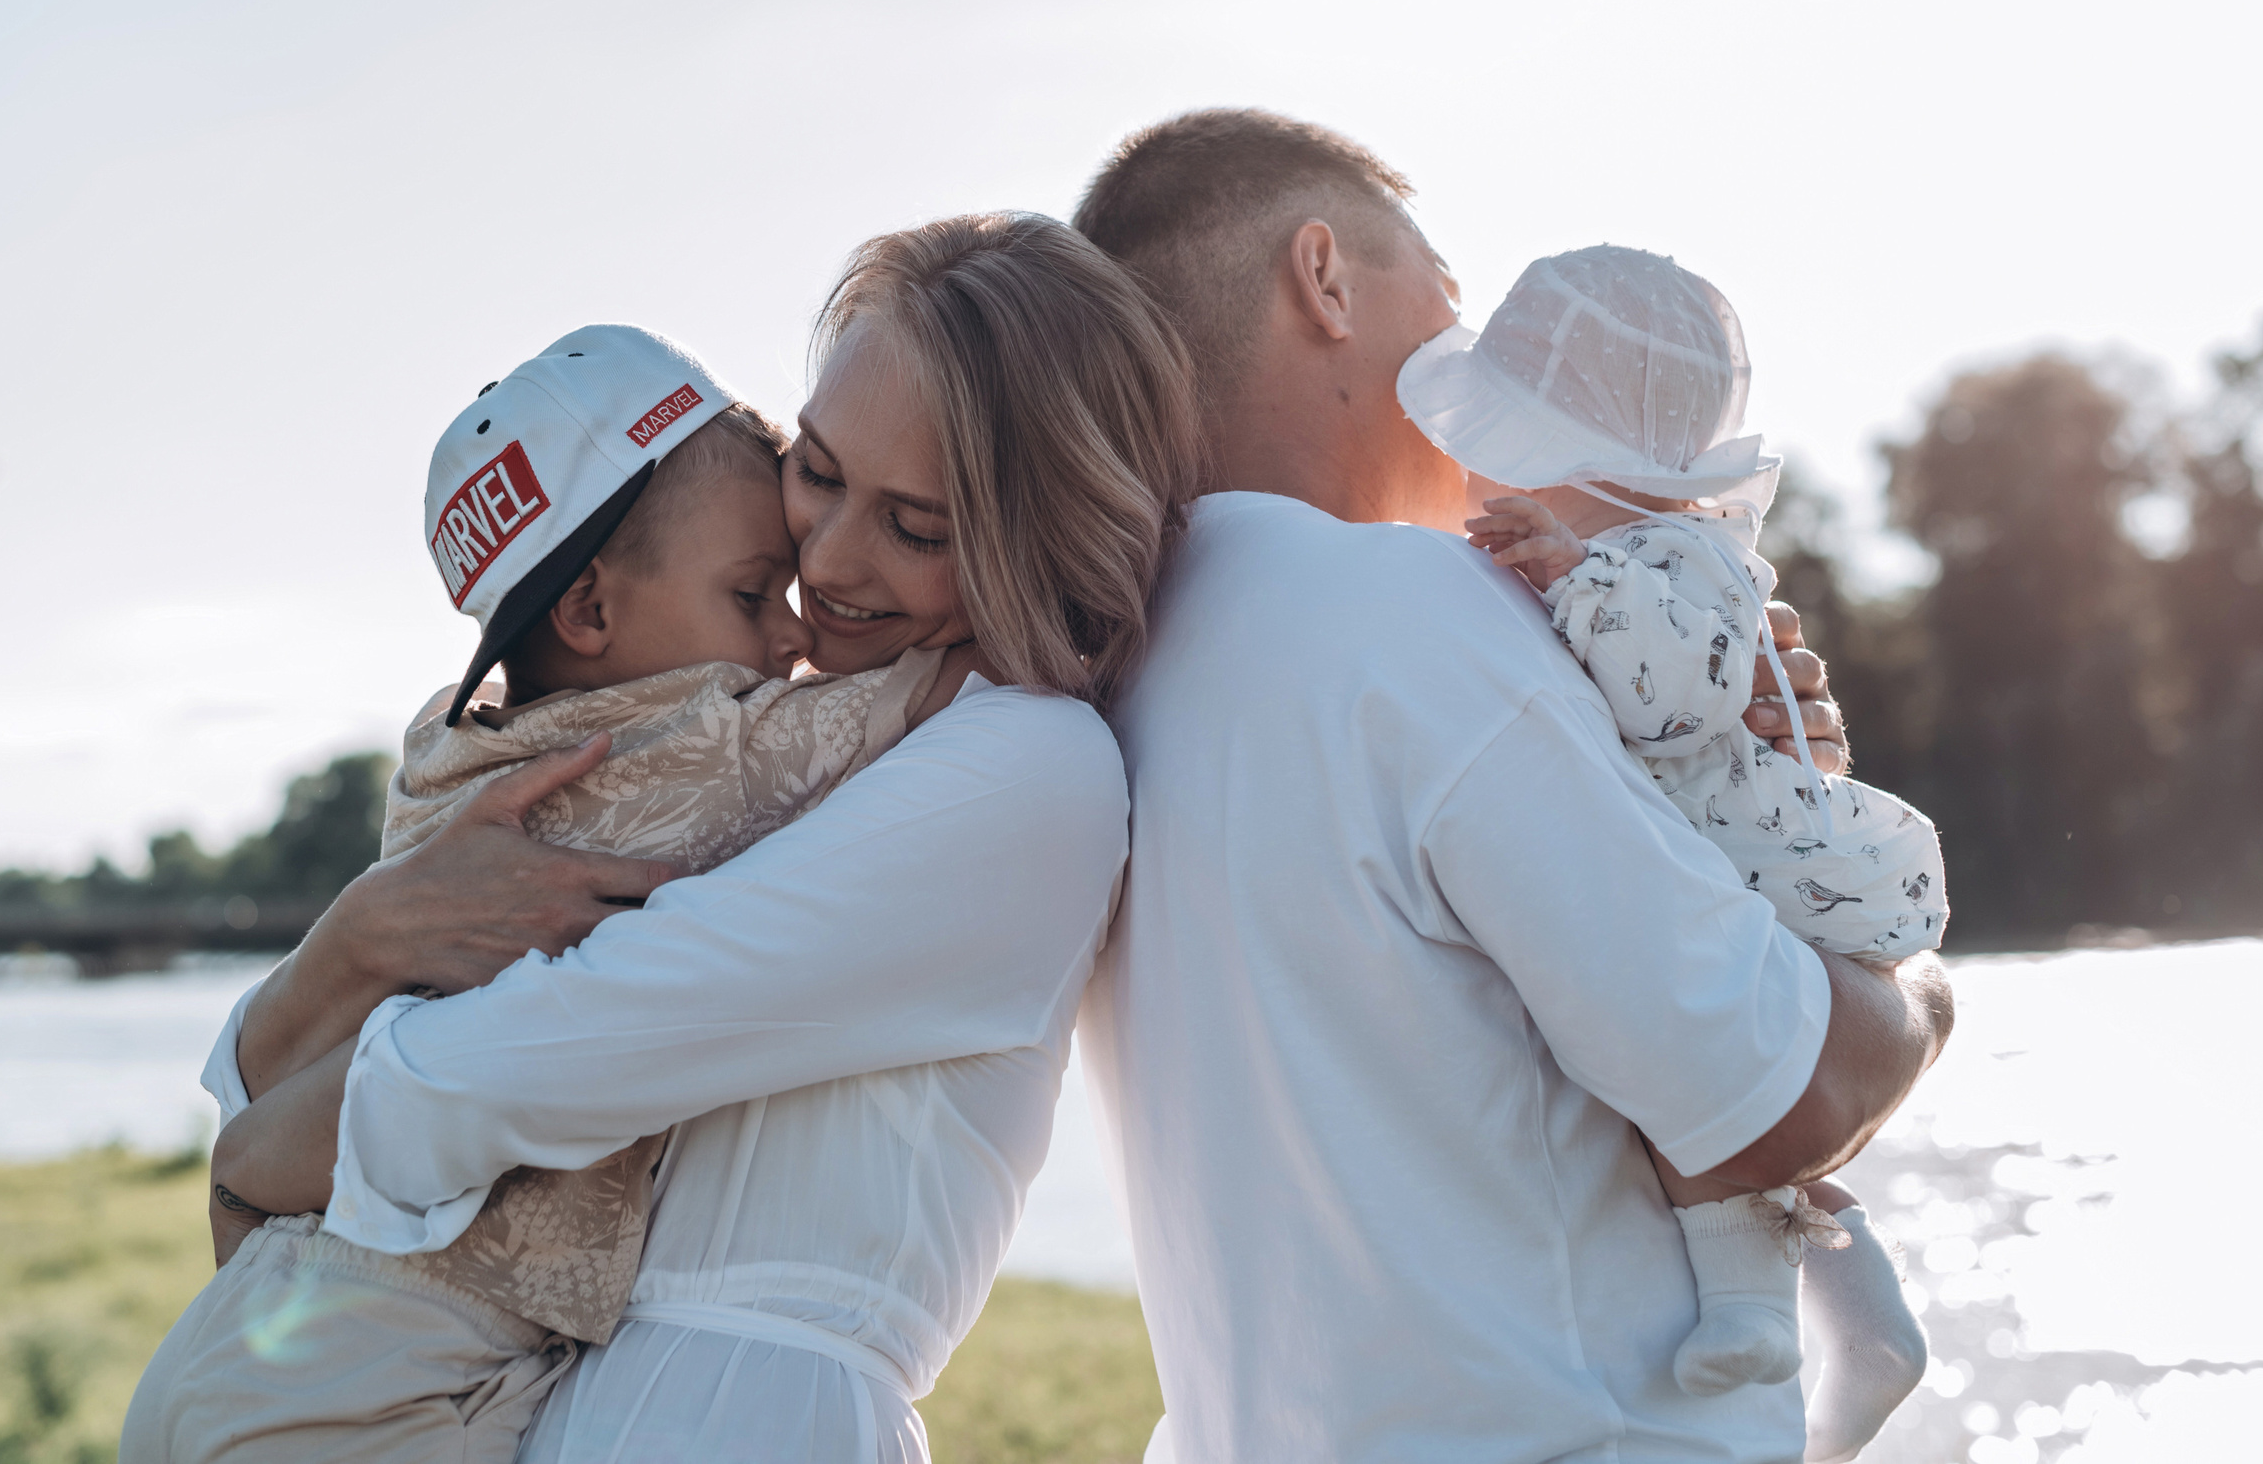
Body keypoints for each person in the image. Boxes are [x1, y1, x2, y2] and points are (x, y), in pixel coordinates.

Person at [172, 212, 1201, 1463]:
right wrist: (363, 936)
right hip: (570, 1400)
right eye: (816, 470)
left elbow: (583, 1030)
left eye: (916, 525)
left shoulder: (1025, 765)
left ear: (1034, 524)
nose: (823, 563)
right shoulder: (750, 736)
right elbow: (303, 1056)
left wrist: (265, 1148)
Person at [1070, 109, 1952, 1464]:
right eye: (1450, 298)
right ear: (1324, 278)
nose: (1467, 355)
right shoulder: (1418, 619)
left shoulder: (1110, 684)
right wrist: (1919, 992)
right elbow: (1786, 1088)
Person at [122, 327, 982, 1464]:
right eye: (749, 592)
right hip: (379, 1380)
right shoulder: (691, 752)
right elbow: (950, 679)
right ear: (586, 611)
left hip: (265, 1337)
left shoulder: (442, 750)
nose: (794, 631)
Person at [1413, 245, 1941, 1462]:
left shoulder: (1668, 554)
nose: (1476, 473)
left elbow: (1659, 704)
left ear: (1578, 457)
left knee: (1693, 1083)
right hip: (1728, 842)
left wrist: (1567, 574)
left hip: (1736, 852)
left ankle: (1757, 1316)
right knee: (1699, 1090)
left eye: (1500, 442)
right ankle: (1860, 1318)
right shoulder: (1656, 551)